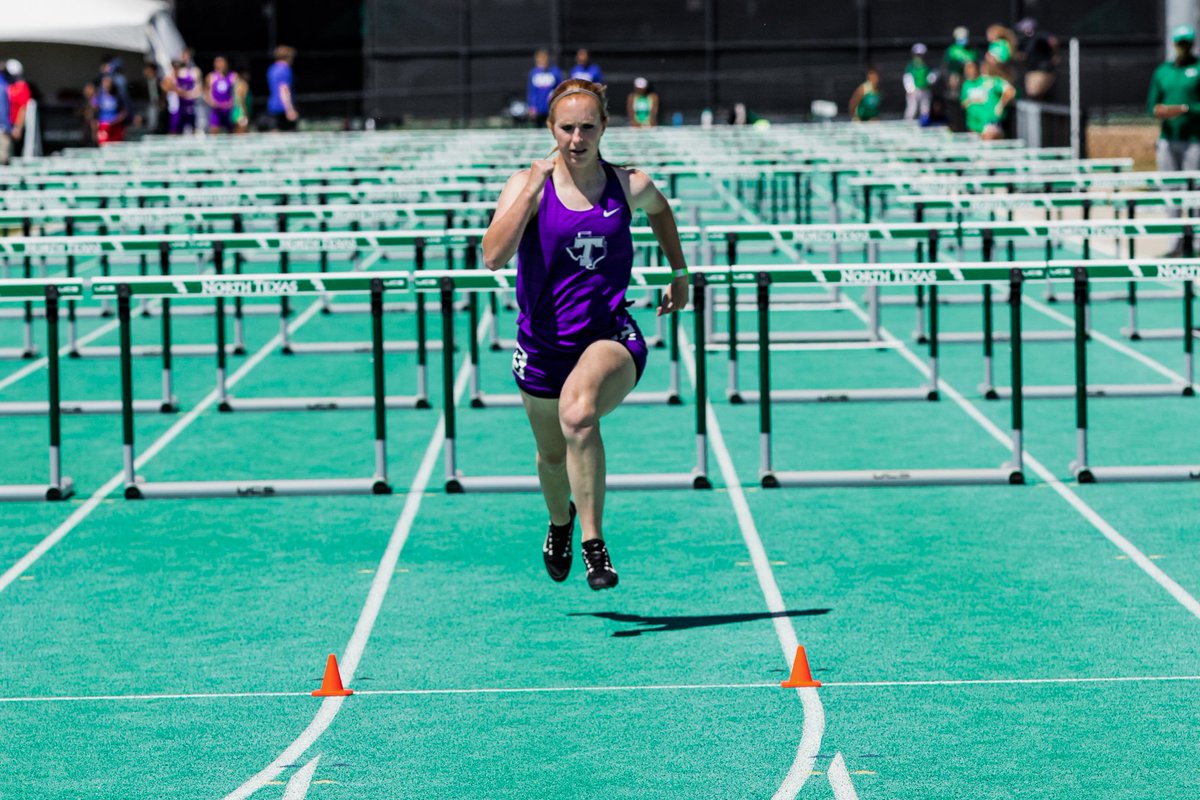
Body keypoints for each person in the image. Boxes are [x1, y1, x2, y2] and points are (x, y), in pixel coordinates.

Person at [480, 78, 690, 590]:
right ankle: (561, 523)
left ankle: (595, 546)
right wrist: (531, 190)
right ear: (551, 129)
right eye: (567, 128)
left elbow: (662, 212)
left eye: (587, 127)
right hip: (542, 347)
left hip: (609, 337)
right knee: (552, 457)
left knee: (578, 413)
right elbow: (491, 257)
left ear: (604, 128)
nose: (577, 138)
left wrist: (678, 273)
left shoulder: (628, 184)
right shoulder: (525, 184)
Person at [1147, 25, 1200, 254]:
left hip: (1195, 140)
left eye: (1187, 43)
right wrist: (1161, 111)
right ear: (1174, 44)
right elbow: (1152, 105)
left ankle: (1197, 241)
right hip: (1169, 139)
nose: (1183, 48)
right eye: (1180, 43)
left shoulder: (1198, 68)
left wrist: (1184, 109)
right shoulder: (1163, 71)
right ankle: (1175, 240)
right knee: (1171, 189)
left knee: (1195, 190)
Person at [961, 59, 1015, 141]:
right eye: (967, 69)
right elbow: (963, 103)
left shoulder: (991, 81)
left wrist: (1000, 105)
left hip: (990, 126)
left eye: (971, 68)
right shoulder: (966, 85)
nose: (969, 71)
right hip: (973, 127)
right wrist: (972, 100)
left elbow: (1010, 91)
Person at [1016, 17, 1059, 100]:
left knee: (1034, 94)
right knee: (1033, 96)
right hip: (1031, 70)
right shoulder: (1026, 40)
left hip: (1041, 70)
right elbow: (1022, 54)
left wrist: (1055, 55)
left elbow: (1053, 41)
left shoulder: (1039, 35)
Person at [942, 27, 976, 131]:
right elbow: (945, 67)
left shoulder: (972, 51)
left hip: (969, 81)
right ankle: (954, 126)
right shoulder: (952, 50)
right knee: (955, 104)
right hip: (955, 81)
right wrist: (948, 80)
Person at [266, 45, 299, 131]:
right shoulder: (285, 69)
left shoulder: (272, 68)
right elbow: (284, 89)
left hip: (272, 107)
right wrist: (289, 109)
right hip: (283, 109)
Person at [526, 50, 562, 127]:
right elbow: (532, 91)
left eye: (544, 58)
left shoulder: (555, 72)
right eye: (540, 59)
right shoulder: (533, 73)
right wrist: (532, 107)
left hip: (551, 108)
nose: (542, 61)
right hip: (538, 108)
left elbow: (560, 88)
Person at [162, 60, 199, 135]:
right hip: (174, 108)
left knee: (188, 128)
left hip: (184, 108)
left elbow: (193, 89)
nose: (177, 69)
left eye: (178, 67)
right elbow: (166, 88)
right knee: (174, 129)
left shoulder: (184, 79)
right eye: (175, 67)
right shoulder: (170, 79)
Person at [92, 73, 128, 145]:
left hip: (115, 126)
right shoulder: (99, 97)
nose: (107, 84)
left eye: (108, 82)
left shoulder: (118, 97)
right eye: (104, 82)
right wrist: (94, 130)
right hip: (103, 127)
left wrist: (114, 121)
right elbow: (94, 113)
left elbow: (124, 112)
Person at [205, 56, 238, 134]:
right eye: (218, 62)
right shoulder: (211, 76)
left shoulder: (233, 76)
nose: (220, 64)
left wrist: (233, 102)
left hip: (229, 110)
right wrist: (212, 102)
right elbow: (207, 93)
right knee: (214, 131)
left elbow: (238, 92)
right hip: (216, 111)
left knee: (233, 132)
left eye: (222, 62)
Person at [903, 43, 932, 123]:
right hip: (914, 91)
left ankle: (924, 125)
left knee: (925, 109)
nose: (919, 57)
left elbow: (929, 77)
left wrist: (931, 79)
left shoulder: (926, 66)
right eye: (917, 55)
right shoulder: (911, 66)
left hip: (924, 90)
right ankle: (908, 125)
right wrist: (910, 88)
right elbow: (907, 76)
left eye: (921, 55)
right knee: (912, 109)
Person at [6, 60, 30, 156]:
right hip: (7, 125)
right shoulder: (9, 86)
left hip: (16, 126)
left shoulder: (22, 87)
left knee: (15, 153)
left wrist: (18, 127)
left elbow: (23, 109)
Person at [232, 66, 253, 134]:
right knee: (241, 132)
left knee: (240, 131)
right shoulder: (243, 84)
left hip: (238, 111)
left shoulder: (238, 84)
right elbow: (241, 99)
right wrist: (244, 113)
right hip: (241, 113)